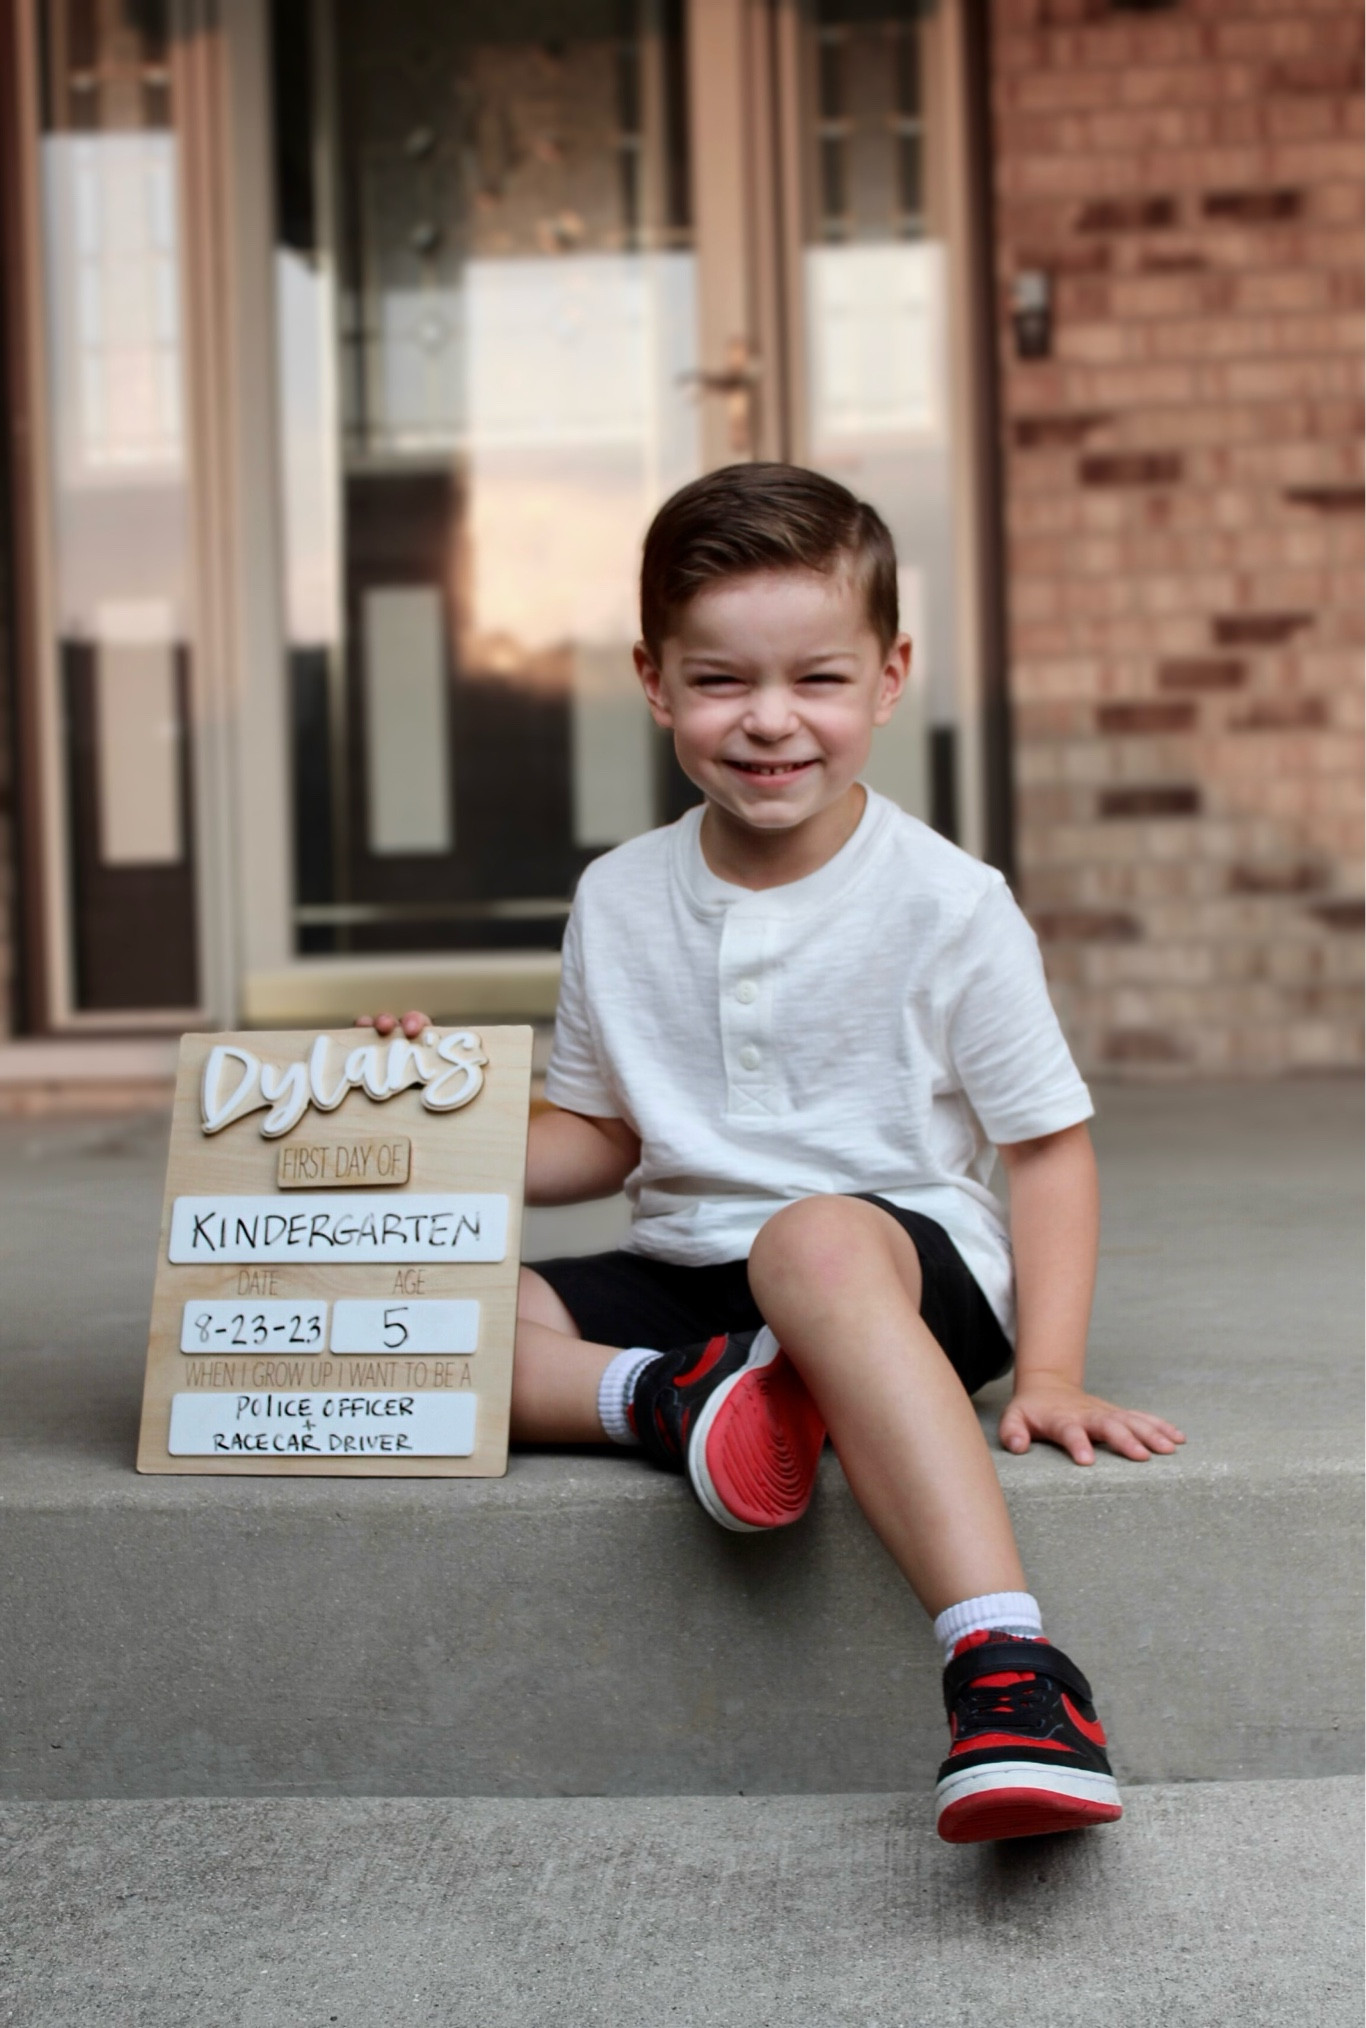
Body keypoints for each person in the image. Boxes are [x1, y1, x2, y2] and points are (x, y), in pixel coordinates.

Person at [360, 463, 1185, 1844]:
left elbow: (1044, 1147)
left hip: (892, 1265)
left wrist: (1044, 1368)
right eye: (720, 679)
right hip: (695, 1274)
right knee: (422, 1306)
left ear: (886, 676)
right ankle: (673, 1399)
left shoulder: (943, 902)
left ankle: (1012, 1672)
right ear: (653, 678)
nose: (767, 721)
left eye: (814, 677)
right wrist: (438, 1111)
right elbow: (602, 1140)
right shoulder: (619, 898)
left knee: (804, 1238)